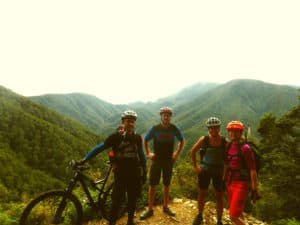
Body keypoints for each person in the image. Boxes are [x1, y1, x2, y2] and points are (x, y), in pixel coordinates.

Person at [81, 110, 146, 225]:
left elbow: (141, 155)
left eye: (132, 121)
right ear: (123, 122)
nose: (130, 124)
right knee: (117, 201)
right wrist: (85, 159)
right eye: (127, 121)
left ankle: (130, 221)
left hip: (135, 173)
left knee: (132, 199)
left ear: (134, 123)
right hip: (120, 174)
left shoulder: (137, 138)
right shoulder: (115, 137)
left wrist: (145, 171)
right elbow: (99, 148)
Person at [140, 106, 185, 220]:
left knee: (166, 184)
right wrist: (148, 153)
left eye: (168, 115)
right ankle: (150, 209)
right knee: (152, 184)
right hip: (157, 160)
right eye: (164, 115)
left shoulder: (174, 128)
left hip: (168, 161)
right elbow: (145, 139)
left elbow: (182, 140)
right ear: (161, 116)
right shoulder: (155, 128)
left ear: (170, 117)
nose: (166, 117)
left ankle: (166, 206)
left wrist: (177, 153)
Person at [190, 117, 227, 225]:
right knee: (202, 193)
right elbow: (193, 151)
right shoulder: (204, 139)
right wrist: (196, 166)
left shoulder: (224, 141)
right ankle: (200, 215)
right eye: (211, 128)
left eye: (215, 128)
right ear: (208, 129)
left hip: (219, 172)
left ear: (219, 128)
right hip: (204, 170)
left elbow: (228, 159)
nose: (213, 130)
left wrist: (225, 174)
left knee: (219, 196)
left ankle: (219, 220)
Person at [224, 121, 261, 225]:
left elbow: (252, 170)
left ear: (240, 133)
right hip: (230, 182)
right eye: (231, 131)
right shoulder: (228, 145)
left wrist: (254, 189)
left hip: (242, 184)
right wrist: (223, 180)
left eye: (236, 131)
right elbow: (226, 164)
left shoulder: (246, 149)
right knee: (237, 212)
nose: (233, 134)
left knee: (233, 216)